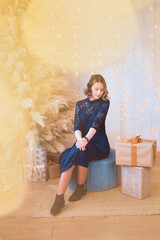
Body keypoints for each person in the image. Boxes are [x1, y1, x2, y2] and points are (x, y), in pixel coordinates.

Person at [50, 74, 110, 215]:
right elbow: (77, 126)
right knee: (79, 150)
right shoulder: (80, 104)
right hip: (83, 142)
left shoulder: (104, 103)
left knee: (75, 152)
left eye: (102, 90)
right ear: (90, 87)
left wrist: (85, 140)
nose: (99, 93)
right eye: (96, 89)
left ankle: (61, 197)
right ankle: (77, 189)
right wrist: (79, 140)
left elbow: (96, 124)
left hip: (99, 145)